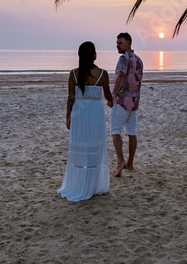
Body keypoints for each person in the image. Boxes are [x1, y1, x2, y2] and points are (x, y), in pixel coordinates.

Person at [57, 42, 113, 202]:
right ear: (94, 55)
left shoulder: (73, 74)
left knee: (80, 146)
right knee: (95, 145)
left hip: (79, 114)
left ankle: (80, 182)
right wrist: (111, 101)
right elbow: (108, 95)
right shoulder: (102, 74)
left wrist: (68, 116)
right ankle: (93, 184)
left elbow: (70, 98)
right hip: (95, 112)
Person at [110, 33, 143, 177]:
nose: (117, 45)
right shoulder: (139, 60)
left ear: (128, 44)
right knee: (131, 131)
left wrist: (113, 94)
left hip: (122, 101)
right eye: (117, 42)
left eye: (120, 43)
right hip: (135, 101)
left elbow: (121, 76)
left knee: (115, 130)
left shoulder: (123, 59)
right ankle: (130, 163)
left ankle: (120, 161)